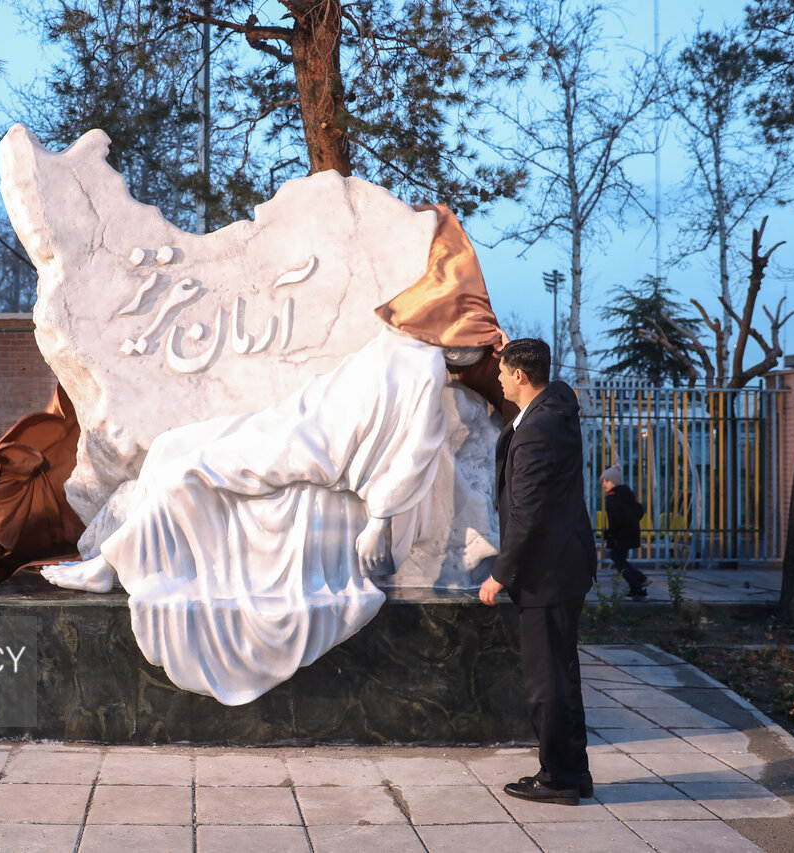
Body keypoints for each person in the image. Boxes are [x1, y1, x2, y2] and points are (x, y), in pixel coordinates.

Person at [42, 203, 511, 705]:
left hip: (303, 454)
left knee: (187, 472)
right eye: (475, 342)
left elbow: (414, 452)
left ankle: (114, 563)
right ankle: (118, 557)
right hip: (292, 429)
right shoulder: (400, 348)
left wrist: (380, 519)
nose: (473, 354)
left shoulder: (421, 367)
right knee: (170, 449)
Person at [479, 338, 596, 805]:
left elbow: (526, 513)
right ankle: (573, 773)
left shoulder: (538, 430)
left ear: (522, 377)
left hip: (545, 573)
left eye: (505, 371)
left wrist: (500, 574)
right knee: (563, 676)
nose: (500, 378)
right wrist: (512, 348)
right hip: (565, 566)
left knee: (546, 682)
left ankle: (558, 781)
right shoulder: (555, 409)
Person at [601, 465, 648, 599]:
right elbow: (639, 510)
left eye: (607, 481)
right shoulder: (627, 495)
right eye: (602, 481)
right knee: (620, 559)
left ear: (614, 481)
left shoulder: (612, 497)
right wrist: (631, 522)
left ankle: (638, 587)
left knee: (618, 561)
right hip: (631, 533)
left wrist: (611, 533)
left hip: (619, 536)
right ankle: (638, 582)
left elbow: (615, 518)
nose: (604, 484)